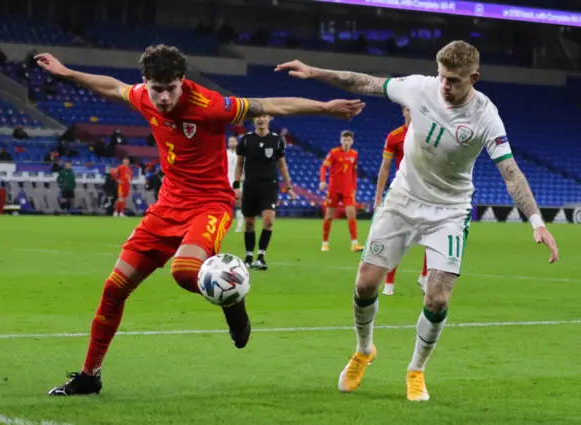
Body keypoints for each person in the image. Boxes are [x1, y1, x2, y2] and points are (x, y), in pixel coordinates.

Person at [36, 44, 364, 396]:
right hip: (166, 207)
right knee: (114, 288)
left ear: (182, 81)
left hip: (209, 204)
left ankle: (233, 299)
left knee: (184, 271)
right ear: (146, 83)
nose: (162, 98)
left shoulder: (209, 105)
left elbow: (269, 105)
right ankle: (90, 375)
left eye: (169, 89)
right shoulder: (143, 96)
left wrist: (325, 108)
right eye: (155, 89)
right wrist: (68, 73)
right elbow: (112, 87)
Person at [276, 40, 559, 401]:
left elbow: (510, 171)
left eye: (454, 80)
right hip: (403, 200)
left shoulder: (486, 115)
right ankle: (364, 350)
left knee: (438, 298)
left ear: (474, 77)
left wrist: (536, 221)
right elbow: (364, 82)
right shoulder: (420, 87)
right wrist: (316, 72)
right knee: (365, 285)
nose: (444, 85)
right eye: (442, 76)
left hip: (449, 212)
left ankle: (416, 370)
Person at [375, 107, 428, 296]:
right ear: (403, 111)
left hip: (425, 194)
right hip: (402, 193)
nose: (411, 112)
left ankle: (424, 276)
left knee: (431, 236)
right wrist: (378, 196)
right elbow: (385, 167)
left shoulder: (426, 134)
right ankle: (389, 283)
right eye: (408, 109)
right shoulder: (394, 136)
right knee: (397, 237)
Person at [234, 114, 296, 270]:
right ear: (254, 120)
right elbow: (239, 164)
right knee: (249, 223)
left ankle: (261, 256)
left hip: (269, 185)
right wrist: (236, 185)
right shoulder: (246, 139)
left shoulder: (276, 140)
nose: (261, 119)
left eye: (264, 116)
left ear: (270, 119)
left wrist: (289, 187)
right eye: (258, 117)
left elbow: (282, 166)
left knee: (268, 221)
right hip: (250, 185)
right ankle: (248, 256)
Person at [319, 130, 364, 253]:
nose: (346, 142)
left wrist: (354, 187)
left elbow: (354, 172)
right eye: (344, 140)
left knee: (352, 215)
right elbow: (324, 167)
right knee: (329, 216)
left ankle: (354, 244)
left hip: (348, 189)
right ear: (341, 140)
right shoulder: (334, 153)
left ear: (352, 141)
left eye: (349, 140)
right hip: (334, 189)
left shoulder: (354, 154)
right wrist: (322, 181)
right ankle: (325, 243)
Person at [226, 135, 244, 232]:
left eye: (234, 141)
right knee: (225, 204)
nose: (232, 143)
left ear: (237, 143)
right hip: (226, 181)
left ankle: (239, 226)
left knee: (238, 203)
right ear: (228, 143)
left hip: (237, 181)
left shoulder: (240, 154)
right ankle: (224, 226)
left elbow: (245, 168)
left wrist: (242, 177)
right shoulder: (224, 153)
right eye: (230, 141)